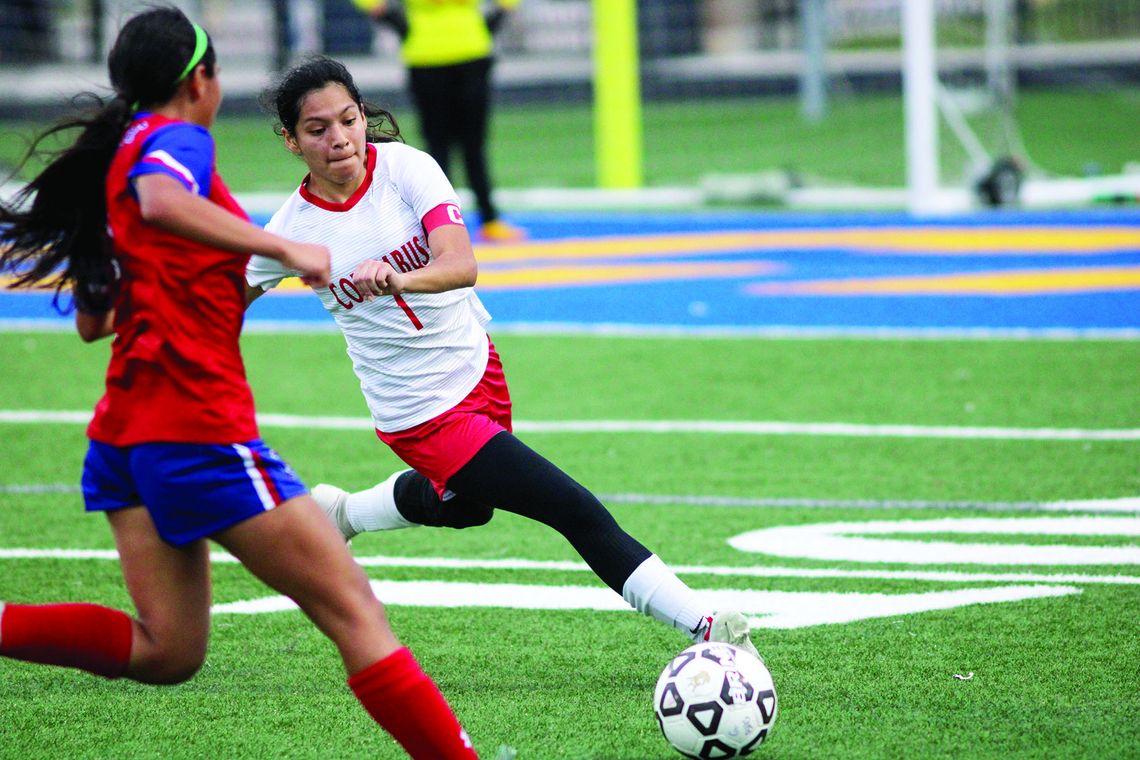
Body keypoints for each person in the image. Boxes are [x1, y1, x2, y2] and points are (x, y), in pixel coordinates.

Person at [0, 10, 477, 759]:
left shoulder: (115, 156)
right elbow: (163, 200)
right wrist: (284, 244)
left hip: (123, 433)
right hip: (194, 430)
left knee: (168, 650)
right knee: (355, 609)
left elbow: (95, 321)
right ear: (202, 80)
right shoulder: (176, 141)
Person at [245, 56, 761, 661]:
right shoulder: (290, 231)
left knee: (465, 510)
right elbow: (222, 302)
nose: (339, 139)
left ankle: (341, 514)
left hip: (475, 366)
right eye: (316, 129)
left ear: (363, 115)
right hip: (420, 411)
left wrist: (396, 279)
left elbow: (462, 264)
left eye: (348, 119)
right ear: (290, 141)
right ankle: (706, 626)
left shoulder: (408, 168)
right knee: (571, 507)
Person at [351, 0, 526, 243]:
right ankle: (446, 222)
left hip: (459, 53)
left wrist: (393, 19)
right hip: (437, 55)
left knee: (467, 144)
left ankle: (481, 219)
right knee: (441, 146)